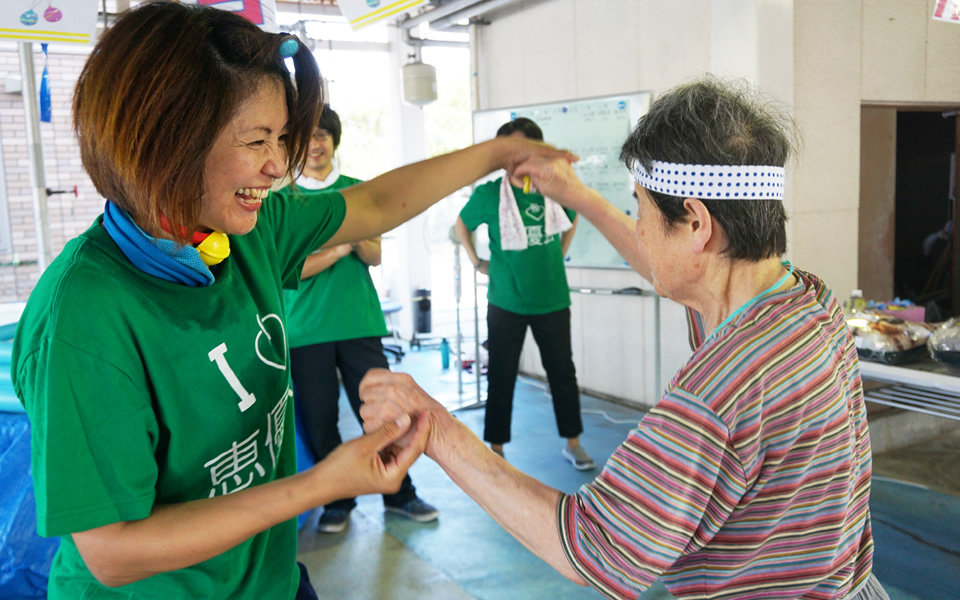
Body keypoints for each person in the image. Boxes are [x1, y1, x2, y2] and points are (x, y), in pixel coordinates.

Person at [9, 3, 574, 599]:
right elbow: (113, 551)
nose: (278, 166)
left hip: (269, 581)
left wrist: (498, 152)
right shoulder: (84, 314)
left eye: (281, 139)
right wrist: (320, 484)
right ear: (166, 140)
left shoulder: (239, 234)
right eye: (256, 141)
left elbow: (377, 205)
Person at [359, 77, 889, 600]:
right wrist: (578, 197)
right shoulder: (808, 301)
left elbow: (593, 546)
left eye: (639, 208)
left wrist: (437, 431)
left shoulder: (719, 393)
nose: (637, 228)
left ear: (697, 223)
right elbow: (688, 271)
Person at [283, 105, 438, 533]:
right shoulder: (283, 200)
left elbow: (374, 252)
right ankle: (338, 500)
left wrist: (338, 246)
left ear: (334, 140)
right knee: (319, 420)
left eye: (322, 136)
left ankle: (400, 492)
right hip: (304, 329)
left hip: (359, 322)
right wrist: (341, 245)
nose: (315, 145)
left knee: (385, 416)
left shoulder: (357, 191)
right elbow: (289, 269)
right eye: (307, 137)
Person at [454, 117, 593, 470]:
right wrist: (475, 261)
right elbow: (461, 224)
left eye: (524, 149)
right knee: (501, 375)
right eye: (508, 151)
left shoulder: (553, 188)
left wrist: (559, 252)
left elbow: (574, 214)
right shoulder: (488, 195)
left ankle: (573, 444)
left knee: (562, 374)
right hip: (505, 301)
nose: (516, 158)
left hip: (552, 299)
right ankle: (496, 449)